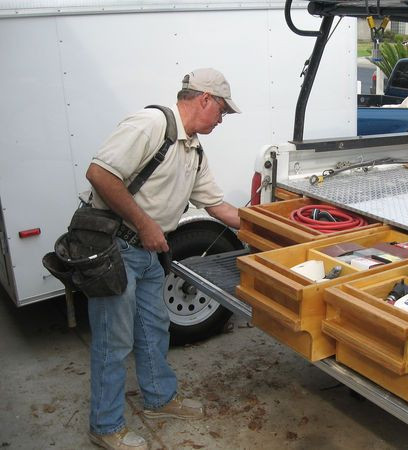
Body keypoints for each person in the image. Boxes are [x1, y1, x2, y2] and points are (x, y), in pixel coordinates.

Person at [85, 68, 241, 450]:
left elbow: (218, 205)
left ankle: (159, 400)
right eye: (221, 110)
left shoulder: (194, 149)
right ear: (204, 98)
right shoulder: (151, 124)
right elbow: (100, 174)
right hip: (117, 248)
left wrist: (269, 226)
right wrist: (143, 225)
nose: (222, 120)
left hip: (151, 251)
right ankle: (105, 427)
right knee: (114, 341)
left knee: (154, 328)